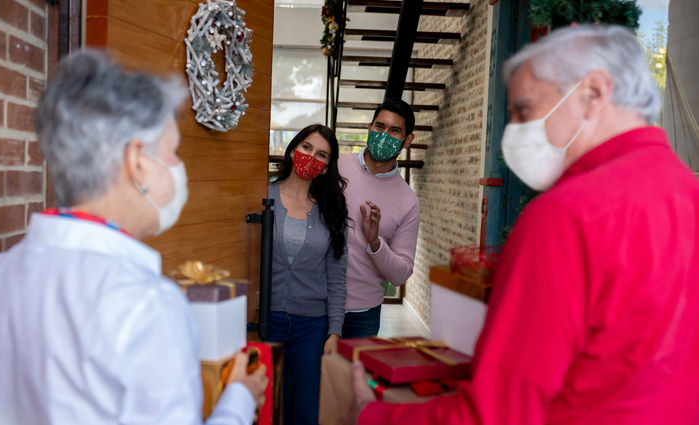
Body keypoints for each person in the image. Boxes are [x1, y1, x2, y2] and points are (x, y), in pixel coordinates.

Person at [349, 24, 699, 425]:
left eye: (525, 111)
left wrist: (370, 415)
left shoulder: (566, 215)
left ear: (594, 92)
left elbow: (496, 414)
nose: (514, 133)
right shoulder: (689, 194)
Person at [0, 50, 267, 425]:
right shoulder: (146, 302)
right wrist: (239, 401)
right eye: (173, 152)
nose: (179, 168)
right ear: (136, 161)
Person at [266, 124, 348, 424]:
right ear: (292, 149)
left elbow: (337, 275)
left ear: (326, 167)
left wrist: (334, 330)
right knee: (270, 406)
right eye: (306, 148)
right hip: (267, 320)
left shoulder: (332, 210)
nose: (311, 157)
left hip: (312, 327)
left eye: (322, 155)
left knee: (307, 410)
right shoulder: (262, 195)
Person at [337, 98, 421, 339]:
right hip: (315, 303)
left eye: (394, 130)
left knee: (354, 377)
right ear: (369, 129)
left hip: (362, 314)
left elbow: (400, 274)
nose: (384, 135)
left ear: (407, 140)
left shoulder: (407, 201)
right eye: (379, 127)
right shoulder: (337, 167)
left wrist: (375, 242)